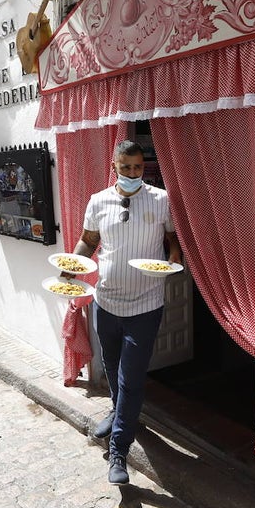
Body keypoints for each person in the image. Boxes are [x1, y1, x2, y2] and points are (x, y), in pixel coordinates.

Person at [70, 140, 181, 486]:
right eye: (126, 168)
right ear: (115, 167)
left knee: (131, 378)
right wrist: (70, 269)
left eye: (138, 168)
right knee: (114, 366)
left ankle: (118, 449)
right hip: (105, 301)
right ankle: (119, 414)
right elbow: (88, 241)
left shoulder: (160, 199)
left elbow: (172, 240)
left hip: (146, 303)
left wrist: (174, 260)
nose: (133, 173)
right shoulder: (98, 201)